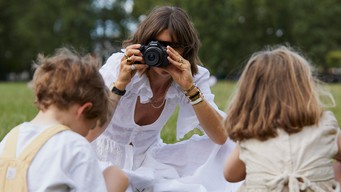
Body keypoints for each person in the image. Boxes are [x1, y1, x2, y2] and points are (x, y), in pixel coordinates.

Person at [87, 6, 239, 192]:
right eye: (157, 45)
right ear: (143, 43)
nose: (163, 53)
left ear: (185, 49)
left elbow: (221, 136)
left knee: (231, 145)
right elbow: (90, 127)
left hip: (149, 159)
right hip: (103, 155)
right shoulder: (120, 65)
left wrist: (189, 88)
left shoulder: (192, 76)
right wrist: (120, 84)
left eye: (173, 47)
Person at [223, 45, 341, 191]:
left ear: (249, 95)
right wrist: (331, 151)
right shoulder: (323, 124)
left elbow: (230, 175)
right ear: (305, 88)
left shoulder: (250, 131)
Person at [0, 48, 128, 192]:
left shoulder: (8, 140)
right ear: (83, 110)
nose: (87, 134)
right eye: (91, 126)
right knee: (117, 177)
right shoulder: (75, 146)